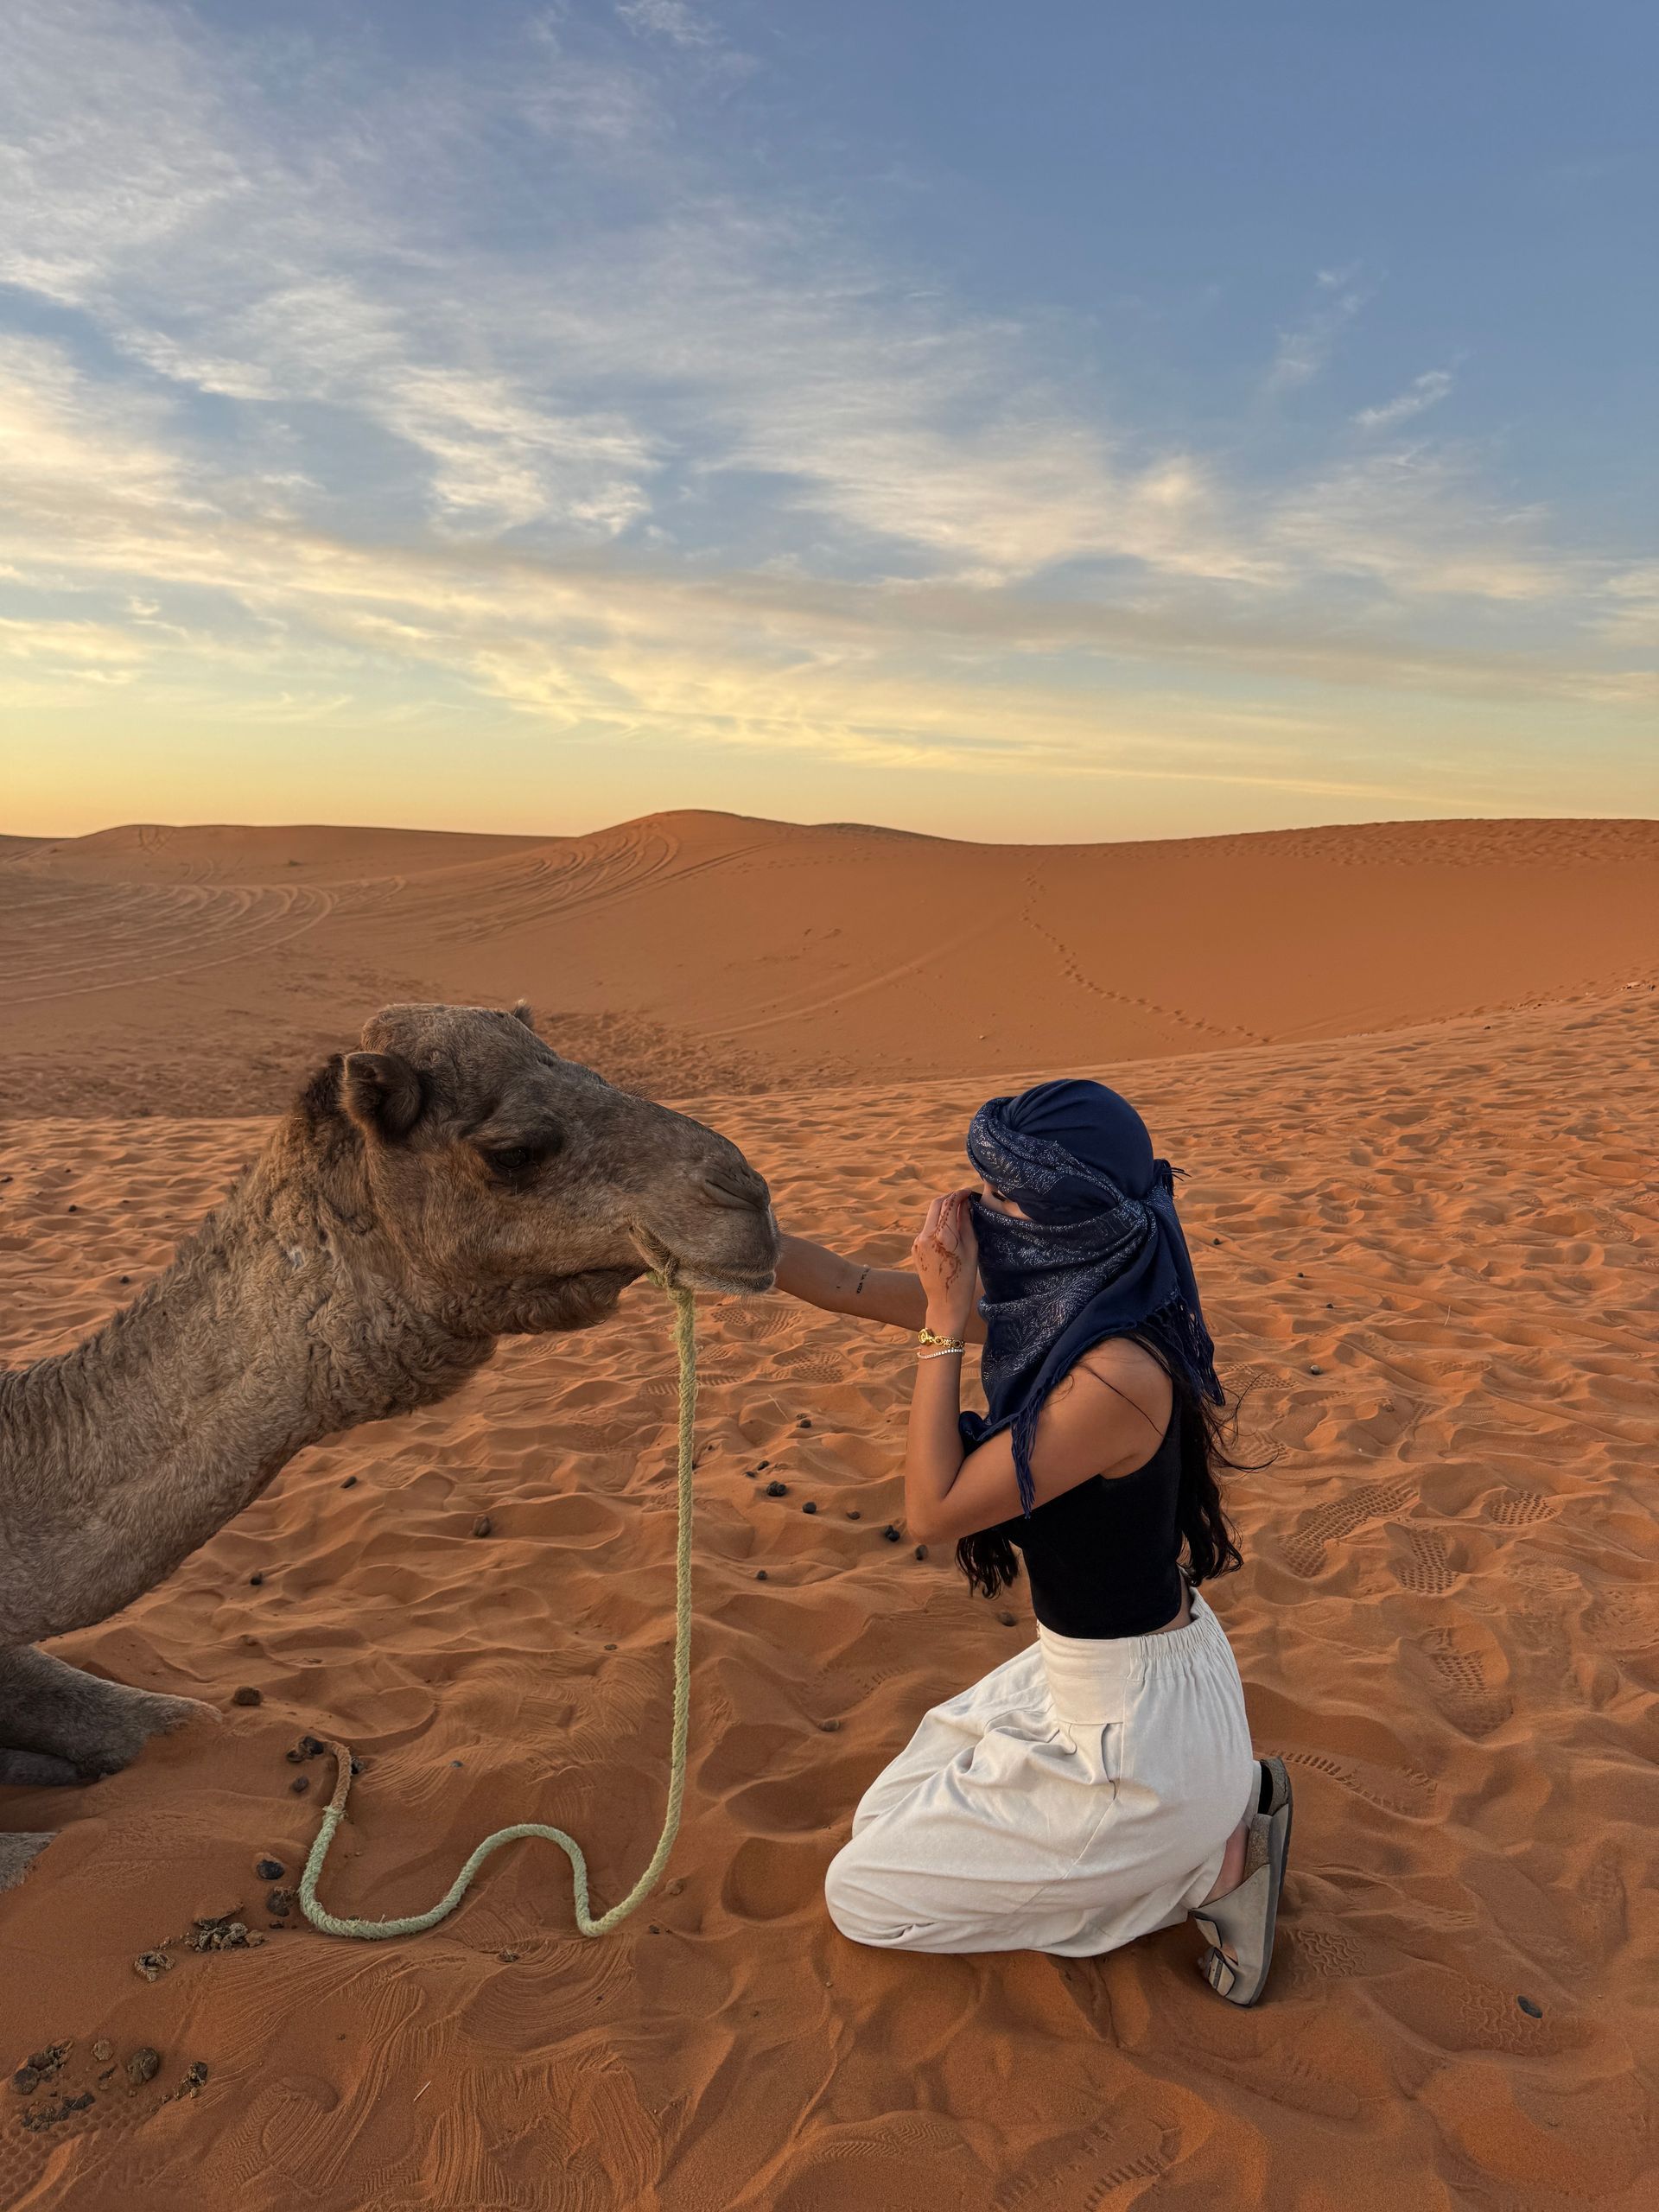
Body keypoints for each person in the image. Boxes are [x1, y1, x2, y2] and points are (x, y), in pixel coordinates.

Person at [773, 1078, 1292, 2005]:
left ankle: (1211, 1871)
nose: (978, 1211)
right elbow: (848, 1286)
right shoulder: (1068, 1298)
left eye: (1005, 1195)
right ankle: (1220, 1807)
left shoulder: (1117, 1373)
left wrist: (944, 1318)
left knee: (862, 1895)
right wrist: (727, 1240)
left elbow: (934, 1512)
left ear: (1070, 1220)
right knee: (888, 1812)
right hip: (1099, 1677)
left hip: (1138, 1739)